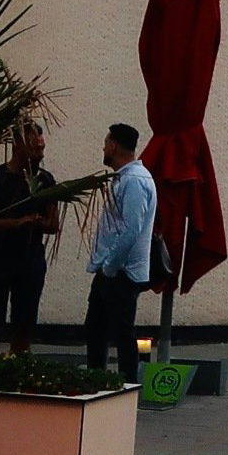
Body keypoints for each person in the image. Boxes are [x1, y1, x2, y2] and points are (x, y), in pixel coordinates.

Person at [0, 119, 58, 355]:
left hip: (30, 259)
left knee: (24, 324)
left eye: (42, 148)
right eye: (35, 148)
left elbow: (53, 225)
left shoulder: (45, 180)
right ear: (19, 145)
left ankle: (18, 365)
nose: (40, 153)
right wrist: (15, 223)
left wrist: (39, 223)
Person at [85, 122, 157, 383]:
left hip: (121, 272)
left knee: (121, 332)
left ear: (114, 146)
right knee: (96, 328)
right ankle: (98, 379)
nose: (103, 149)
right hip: (113, 269)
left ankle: (127, 383)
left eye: (106, 143)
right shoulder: (126, 178)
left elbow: (131, 229)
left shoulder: (134, 180)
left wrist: (110, 265)